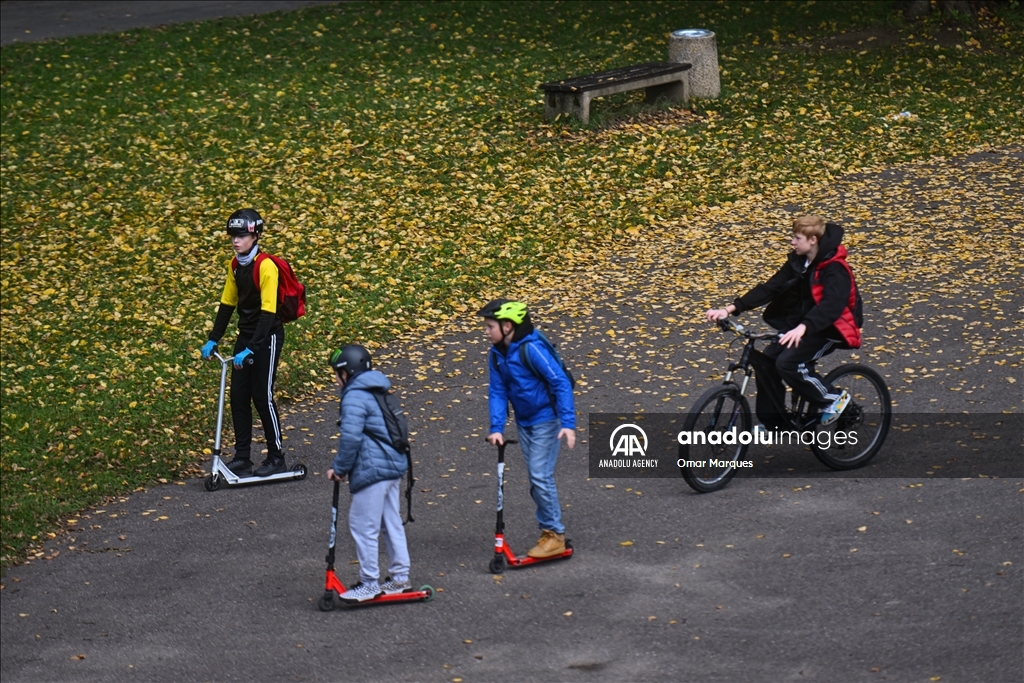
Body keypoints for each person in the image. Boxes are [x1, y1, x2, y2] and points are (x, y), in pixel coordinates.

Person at [706, 215, 863, 427]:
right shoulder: (799, 262)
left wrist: (803, 328)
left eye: (797, 238)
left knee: (789, 363)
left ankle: (834, 399)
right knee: (767, 362)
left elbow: (831, 307)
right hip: (802, 324)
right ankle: (776, 422)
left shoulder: (835, 269)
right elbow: (771, 287)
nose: (792, 242)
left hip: (832, 328)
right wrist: (729, 309)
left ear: (813, 240)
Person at [479, 299, 576, 559]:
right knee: (537, 479)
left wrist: (568, 423)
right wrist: (496, 427)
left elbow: (561, 383)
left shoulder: (531, 349)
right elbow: (497, 390)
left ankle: (554, 534)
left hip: (547, 419)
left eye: (490, 326)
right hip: (525, 421)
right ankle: (550, 531)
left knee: (540, 476)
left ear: (508, 326)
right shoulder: (497, 353)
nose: (486, 331)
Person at [200, 208, 286, 477]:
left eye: (241, 236)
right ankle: (242, 457)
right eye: (232, 236)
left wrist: (253, 347)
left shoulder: (266, 266)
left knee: (262, 396)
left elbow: (268, 311)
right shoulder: (235, 265)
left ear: (256, 235)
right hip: (246, 335)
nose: (236, 241)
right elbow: (227, 304)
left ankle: (276, 456)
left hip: (267, 336)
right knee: (238, 395)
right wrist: (213, 339)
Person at [325, 344, 412, 603]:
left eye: (337, 373)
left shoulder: (354, 396)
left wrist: (339, 469)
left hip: (372, 469)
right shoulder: (377, 390)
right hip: (392, 467)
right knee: (390, 523)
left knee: (364, 526)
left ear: (348, 372)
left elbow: (351, 438)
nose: (336, 379)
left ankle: (369, 583)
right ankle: (400, 578)